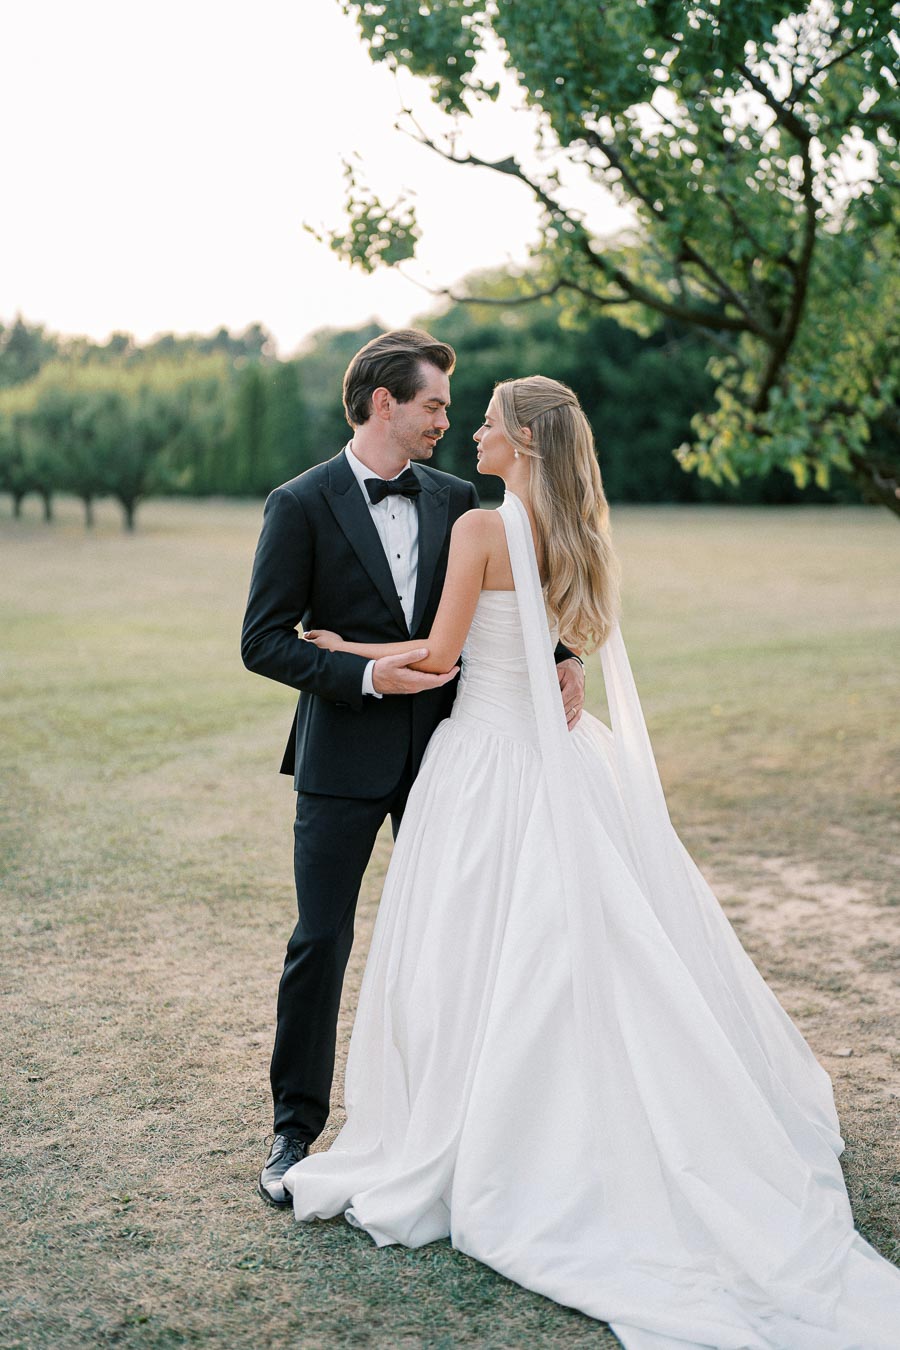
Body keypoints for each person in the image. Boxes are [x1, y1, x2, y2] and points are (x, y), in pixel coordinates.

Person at [283, 376, 900, 1348]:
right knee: (586, 947)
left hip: (486, 763)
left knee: (471, 951)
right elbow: (563, 644)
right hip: (567, 759)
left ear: (522, 439)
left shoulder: (485, 529)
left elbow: (441, 658)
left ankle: (483, 1133)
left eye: (487, 419)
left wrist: (340, 645)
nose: (474, 431)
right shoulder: (577, 530)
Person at [240, 335, 585, 1208]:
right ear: (383, 403)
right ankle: (293, 1131)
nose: (446, 421)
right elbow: (264, 641)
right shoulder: (300, 503)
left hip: (450, 756)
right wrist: (358, 672)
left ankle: (462, 1121)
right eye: (434, 405)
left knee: (461, 939)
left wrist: (566, 652)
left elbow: (517, 594)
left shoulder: (461, 498)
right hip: (342, 758)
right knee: (321, 940)